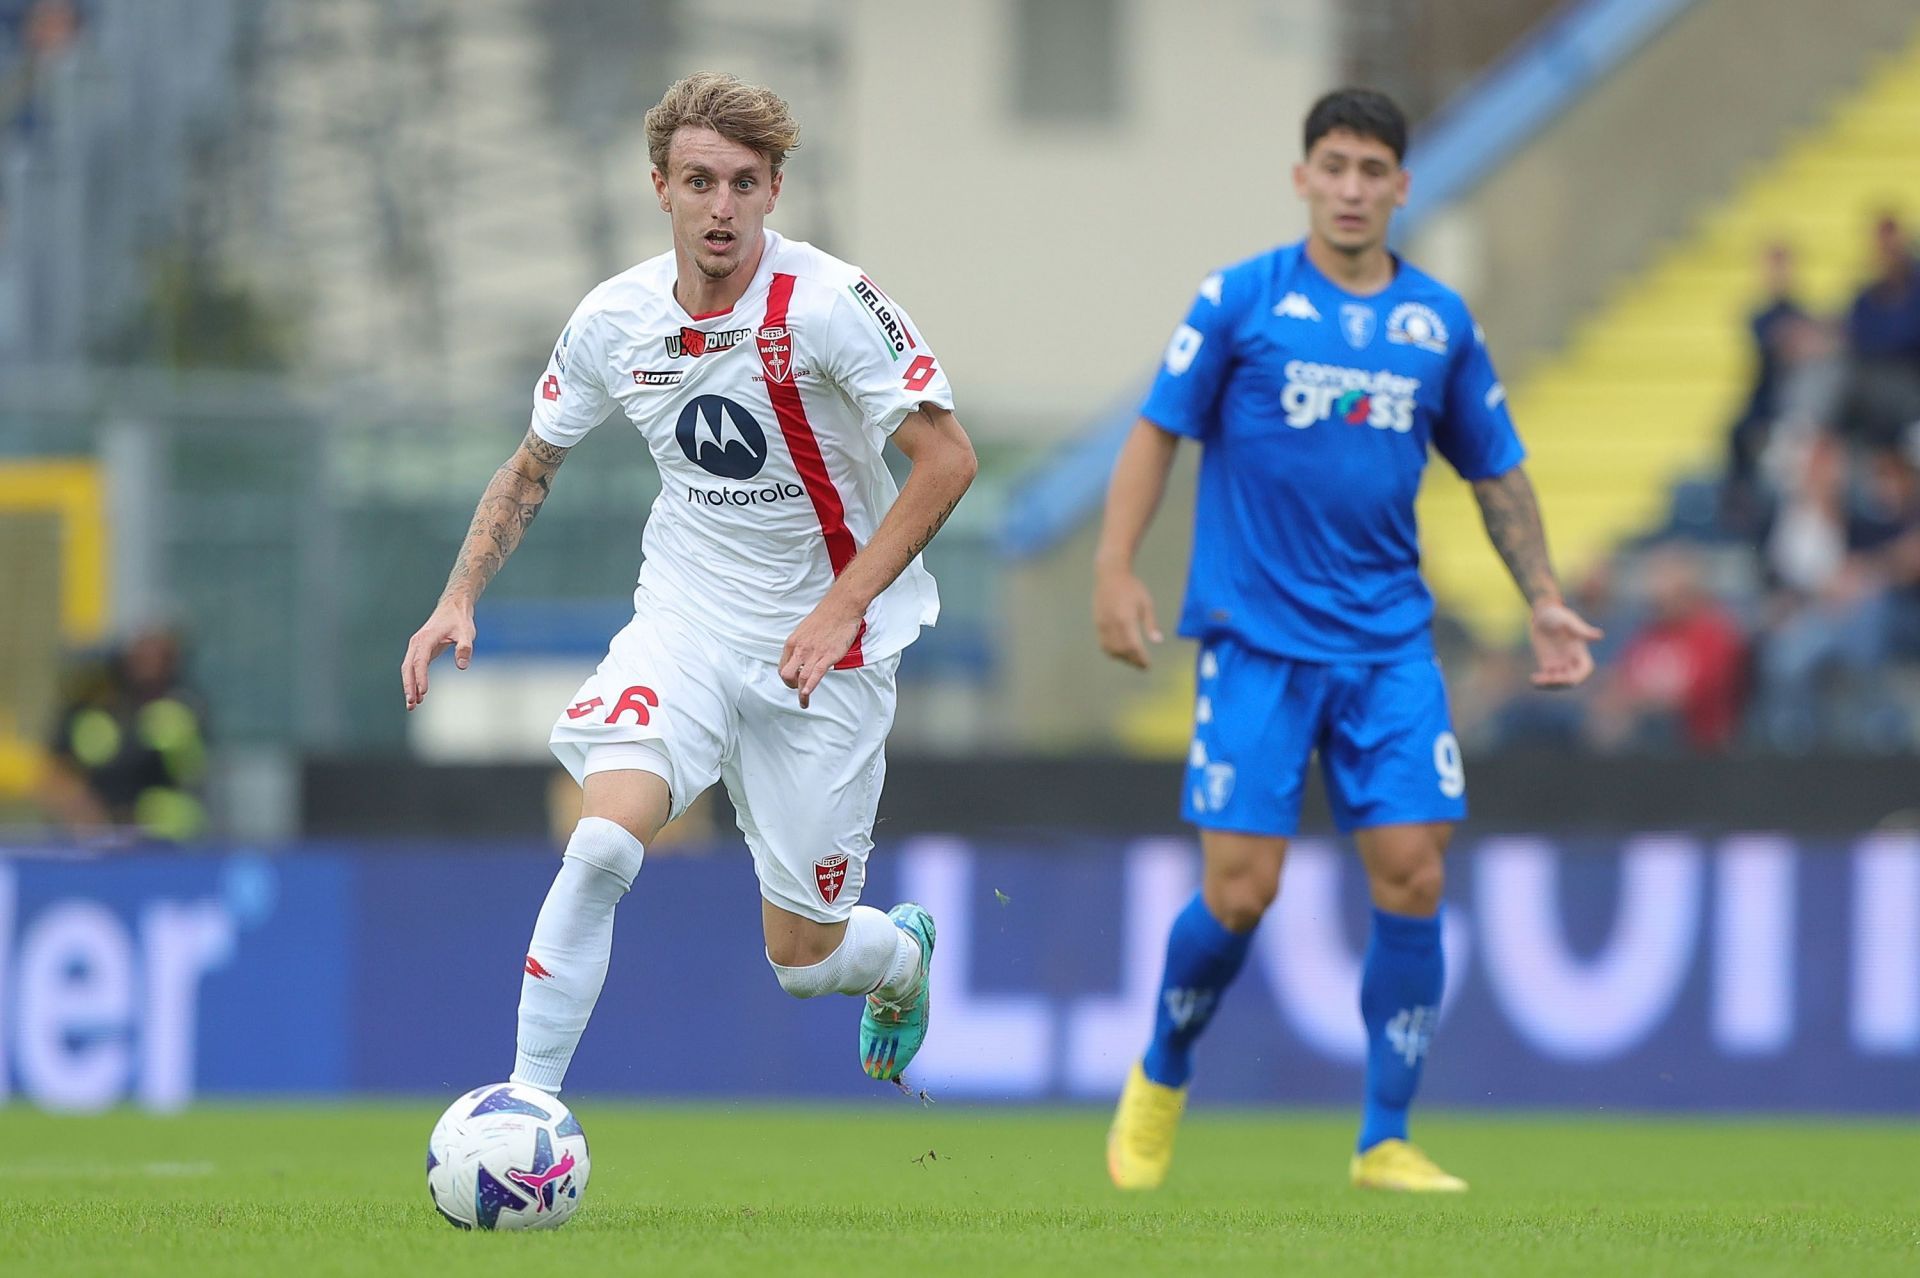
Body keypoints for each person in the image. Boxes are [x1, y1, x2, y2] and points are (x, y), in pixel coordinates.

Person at [400, 72, 977, 1096]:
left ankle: (900, 961)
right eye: (700, 181)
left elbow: (948, 460)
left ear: (775, 191)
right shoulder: (613, 321)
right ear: (660, 186)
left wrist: (839, 605)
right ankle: (523, 1111)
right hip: (687, 627)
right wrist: (457, 596)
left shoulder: (833, 306)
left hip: (829, 655)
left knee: (804, 961)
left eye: (744, 184)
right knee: (601, 847)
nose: (722, 207)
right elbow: (533, 464)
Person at [1092, 88, 1599, 1194]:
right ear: (1303, 177)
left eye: (1375, 169)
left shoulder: (1439, 325)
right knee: (1239, 893)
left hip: (1389, 647)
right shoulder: (1239, 303)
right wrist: (1115, 567)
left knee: (1415, 873)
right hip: (1257, 641)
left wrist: (1544, 596)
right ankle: (1164, 1069)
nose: (1355, 188)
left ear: (1403, 186)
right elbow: (1157, 429)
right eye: (1336, 166)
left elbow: (1495, 468)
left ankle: (1384, 1138)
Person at [40, 625, 209, 842]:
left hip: (164, 837)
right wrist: (85, 813)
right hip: (96, 833)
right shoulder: (90, 708)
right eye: (142, 651)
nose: (148, 660)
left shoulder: (184, 706)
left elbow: (193, 771)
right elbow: (56, 769)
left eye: (158, 653)